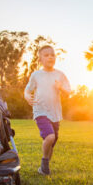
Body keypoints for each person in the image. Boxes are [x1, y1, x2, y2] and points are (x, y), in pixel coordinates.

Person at [24, 45, 71, 175]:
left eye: (52, 55)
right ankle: (44, 165)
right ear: (40, 59)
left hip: (55, 113)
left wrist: (60, 87)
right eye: (46, 55)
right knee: (50, 137)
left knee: (52, 141)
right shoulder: (36, 75)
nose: (50, 57)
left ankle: (44, 165)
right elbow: (27, 89)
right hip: (40, 111)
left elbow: (68, 92)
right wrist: (27, 96)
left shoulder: (60, 75)